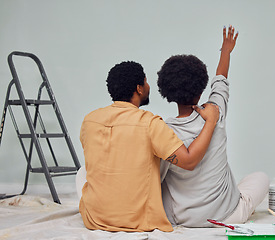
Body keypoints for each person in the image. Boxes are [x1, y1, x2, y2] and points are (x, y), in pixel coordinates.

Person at [77, 61, 219, 232]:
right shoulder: (150, 123)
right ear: (139, 88)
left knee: (83, 172)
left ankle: (104, 207)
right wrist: (211, 122)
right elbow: (188, 161)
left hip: (94, 218)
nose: (148, 86)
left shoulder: (89, 120)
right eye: (146, 81)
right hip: (136, 221)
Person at [157, 25, 269, 228]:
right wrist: (226, 50)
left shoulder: (162, 131)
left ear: (167, 93)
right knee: (260, 178)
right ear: (200, 92)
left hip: (183, 219)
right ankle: (227, 198)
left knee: (162, 173)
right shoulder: (216, 110)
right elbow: (221, 79)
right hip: (228, 215)